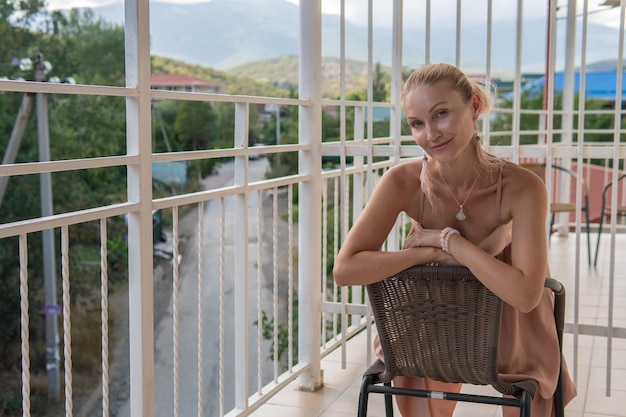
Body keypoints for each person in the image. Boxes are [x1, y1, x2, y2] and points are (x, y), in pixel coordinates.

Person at [332, 62, 576, 417]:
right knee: (411, 358)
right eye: (417, 123)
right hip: (437, 320)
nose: (430, 134)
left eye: (441, 114)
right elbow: (345, 269)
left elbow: (525, 296)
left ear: (474, 107)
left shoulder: (523, 187)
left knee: (533, 373)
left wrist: (453, 245)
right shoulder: (402, 181)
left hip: (510, 322)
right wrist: (426, 253)